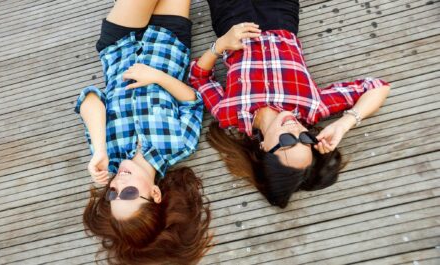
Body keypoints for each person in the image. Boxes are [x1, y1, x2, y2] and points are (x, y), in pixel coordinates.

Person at [189, 0, 391, 209]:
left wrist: (220, 45)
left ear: (264, 148)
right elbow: (378, 87)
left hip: (231, 19)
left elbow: (198, 78)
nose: (295, 130)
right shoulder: (312, 107)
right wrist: (344, 123)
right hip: (279, 14)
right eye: (305, 138)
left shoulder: (229, 114)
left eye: (287, 141)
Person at [74, 0, 211, 264]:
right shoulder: (179, 145)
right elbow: (192, 101)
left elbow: (89, 98)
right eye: (129, 194)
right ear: (156, 194)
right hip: (169, 41)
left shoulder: (107, 154)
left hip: (118, 45)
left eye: (113, 194)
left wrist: (100, 148)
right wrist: (157, 77)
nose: (119, 185)